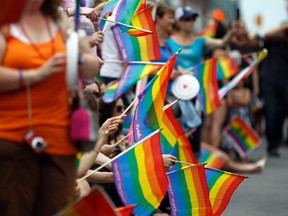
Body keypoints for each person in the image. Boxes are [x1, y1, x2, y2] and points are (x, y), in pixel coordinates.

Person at [0, 0, 101, 215]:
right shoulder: (6, 23)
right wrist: (35, 75)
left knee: (55, 207)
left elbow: (90, 66)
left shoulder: (58, 22)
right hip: (14, 137)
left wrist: (81, 54)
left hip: (58, 138)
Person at [259, 23, 288, 157]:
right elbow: (267, 34)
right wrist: (284, 26)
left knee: (281, 113)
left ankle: (277, 141)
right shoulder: (272, 41)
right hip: (269, 81)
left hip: (285, 82)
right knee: (271, 111)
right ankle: (271, 144)